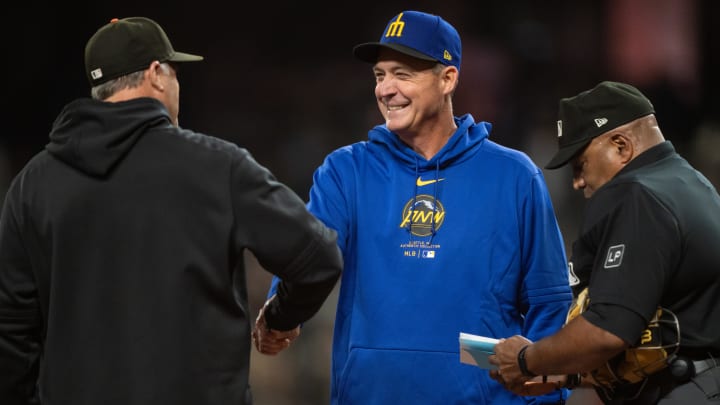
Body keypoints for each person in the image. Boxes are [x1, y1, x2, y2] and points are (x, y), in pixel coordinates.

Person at [0, 16, 342, 405]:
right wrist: (279, 319)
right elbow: (319, 258)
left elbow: (11, 329)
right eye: (176, 73)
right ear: (156, 74)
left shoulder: (33, 184)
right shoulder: (218, 166)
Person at [255, 10, 573, 404]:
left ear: (448, 79)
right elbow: (309, 255)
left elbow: (550, 301)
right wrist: (280, 311)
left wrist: (540, 397)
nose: (386, 89)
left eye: (402, 74)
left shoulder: (513, 176)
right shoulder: (347, 171)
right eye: (379, 75)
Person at [489, 81, 720, 404]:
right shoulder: (690, 182)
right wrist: (566, 374)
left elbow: (607, 331)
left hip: (682, 389)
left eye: (580, 164)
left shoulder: (637, 195)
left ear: (621, 146)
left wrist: (528, 359)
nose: (577, 181)